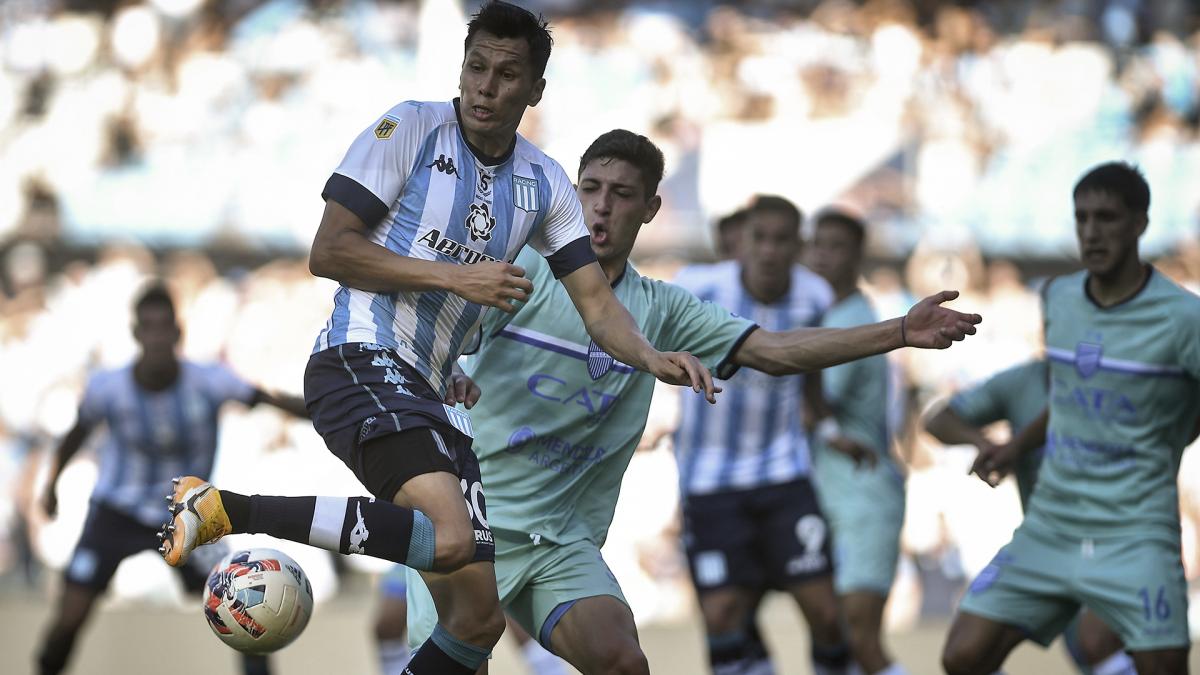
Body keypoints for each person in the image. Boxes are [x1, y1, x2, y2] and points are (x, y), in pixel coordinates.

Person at [156, 4, 718, 675]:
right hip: (357, 358)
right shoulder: (410, 129)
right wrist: (458, 277)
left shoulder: (543, 183)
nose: (485, 85)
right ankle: (225, 506)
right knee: (451, 539)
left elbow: (597, 302)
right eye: (476, 66)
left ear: (534, 90)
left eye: (507, 74)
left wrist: (653, 357)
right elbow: (330, 250)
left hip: (432, 394)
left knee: (477, 621)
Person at [403, 129, 982, 675]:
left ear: (651, 210)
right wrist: (446, 371)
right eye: (591, 190)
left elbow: (774, 350)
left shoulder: (662, 309)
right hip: (469, 525)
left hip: (558, 540)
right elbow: (426, 332)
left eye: (622, 194)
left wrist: (899, 330)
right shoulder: (521, 268)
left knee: (623, 662)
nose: (601, 207)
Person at [941, 161, 1200, 675]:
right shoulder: (1058, 297)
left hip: (1136, 530)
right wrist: (1016, 447)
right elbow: (1067, 395)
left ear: (1140, 224)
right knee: (962, 656)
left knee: (1164, 666)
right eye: (1081, 218)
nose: (1091, 232)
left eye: (1106, 218)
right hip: (1052, 523)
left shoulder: (1182, 318)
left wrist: (1180, 430)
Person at [35, 283, 307, 675]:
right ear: (136, 334)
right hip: (117, 511)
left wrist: (326, 411)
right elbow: (76, 433)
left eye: (165, 327)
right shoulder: (108, 387)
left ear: (178, 333)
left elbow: (268, 400)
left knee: (245, 607)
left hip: (189, 516)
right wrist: (51, 486)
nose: (157, 337)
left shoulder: (211, 381)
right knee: (69, 617)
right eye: (149, 327)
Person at [671, 195, 855, 675]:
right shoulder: (698, 287)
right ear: (743, 243)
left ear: (800, 245)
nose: (770, 251)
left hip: (783, 474)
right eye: (760, 238)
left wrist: (830, 428)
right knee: (724, 616)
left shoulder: (814, 296)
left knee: (827, 614)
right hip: (709, 480)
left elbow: (811, 375)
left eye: (781, 240)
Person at [925, 359, 1133, 674]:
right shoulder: (1022, 381)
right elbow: (936, 420)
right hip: (1045, 538)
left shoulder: (1126, 372)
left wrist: (1015, 447)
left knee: (1097, 644)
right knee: (963, 654)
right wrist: (985, 443)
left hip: (1114, 534)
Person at [805, 209, 908, 675]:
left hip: (863, 494)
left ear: (857, 256)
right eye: (816, 244)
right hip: (833, 492)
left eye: (835, 246)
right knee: (832, 637)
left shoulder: (851, 324)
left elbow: (808, 406)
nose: (821, 256)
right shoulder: (829, 315)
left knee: (859, 637)